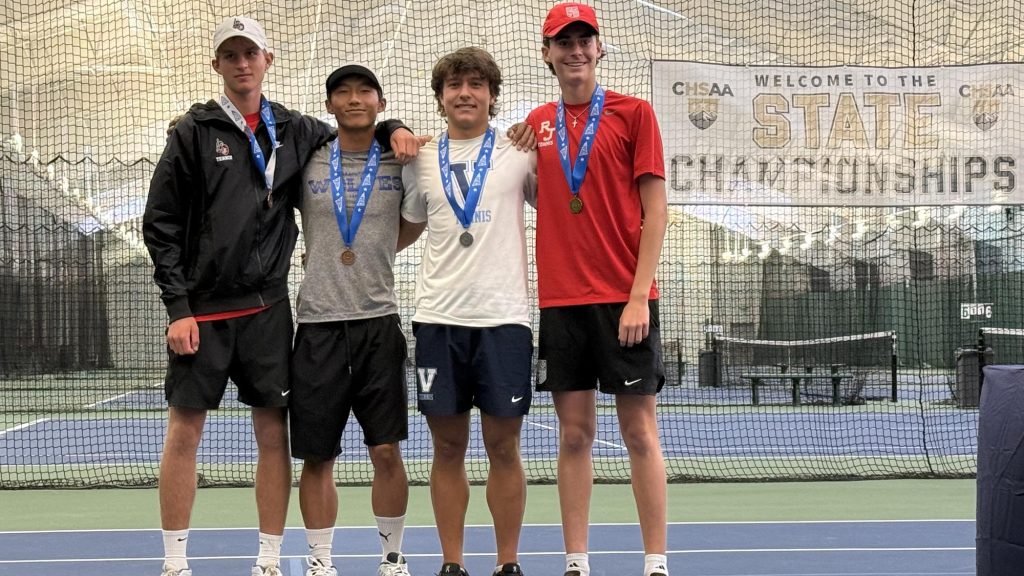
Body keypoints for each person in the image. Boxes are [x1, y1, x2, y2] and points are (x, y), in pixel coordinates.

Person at [143, 17, 419, 576]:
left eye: (252, 53)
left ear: (268, 60)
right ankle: (174, 563)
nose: (242, 63)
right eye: (231, 54)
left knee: (274, 437)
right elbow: (161, 223)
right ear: (217, 64)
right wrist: (178, 307)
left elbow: (357, 119)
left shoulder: (297, 131)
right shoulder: (192, 131)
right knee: (184, 433)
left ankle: (269, 558)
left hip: (270, 309)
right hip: (202, 310)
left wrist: (395, 125)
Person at [524, 4, 670, 576]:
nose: (575, 50)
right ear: (548, 54)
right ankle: (577, 562)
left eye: (584, 39)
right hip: (561, 302)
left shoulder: (636, 114)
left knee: (639, 431)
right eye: (563, 42)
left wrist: (638, 296)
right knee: (575, 435)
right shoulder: (536, 123)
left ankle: (655, 560)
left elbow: (655, 213)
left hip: (626, 300)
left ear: (599, 48)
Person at [401, 47, 537, 576]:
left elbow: (563, 203)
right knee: (448, 447)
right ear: (440, 98)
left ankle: (508, 564)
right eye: (455, 84)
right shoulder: (420, 159)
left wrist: (540, 133)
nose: (465, 93)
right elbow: (407, 229)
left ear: (491, 96)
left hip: (504, 320)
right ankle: (452, 564)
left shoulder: (520, 151)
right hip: (438, 319)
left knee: (504, 447)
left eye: (476, 84)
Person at [289, 64, 419, 576]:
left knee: (385, 450)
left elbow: (411, 225)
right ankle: (321, 561)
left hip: (378, 323)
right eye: (341, 92)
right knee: (318, 456)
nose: (354, 98)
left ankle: (391, 557)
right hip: (317, 325)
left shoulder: (402, 159)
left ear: (381, 103)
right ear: (329, 105)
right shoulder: (306, 157)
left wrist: (374, 251)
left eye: (365, 90)